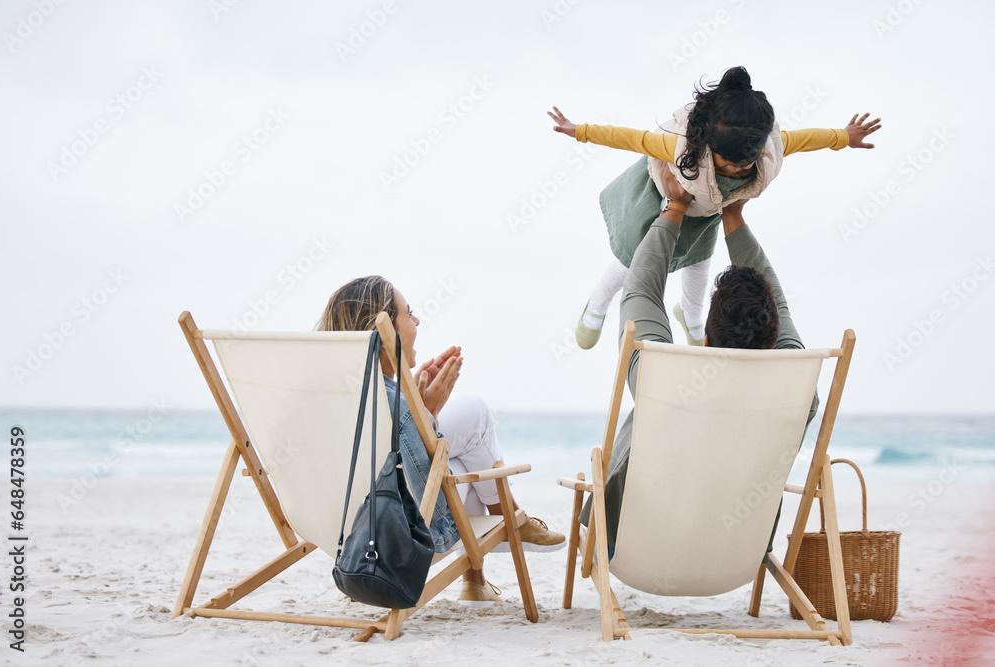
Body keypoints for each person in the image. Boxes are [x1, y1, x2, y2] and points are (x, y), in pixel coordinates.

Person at [547, 66, 880, 349]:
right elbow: (630, 138)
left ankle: (691, 318)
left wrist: (843, 137)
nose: (736, 170)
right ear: (708, 142)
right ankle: (597, 304)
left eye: (744, 163)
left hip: (706, 215)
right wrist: (580, 131)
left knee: (699, 271)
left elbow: (804, 139)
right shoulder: (676, 146)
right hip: (663, 201)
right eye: (728, 162)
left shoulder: (766, 150)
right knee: (635, 262)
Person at [579, 165, 820, 554]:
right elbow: (781, 305)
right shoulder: (799, 393)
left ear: (706, 338)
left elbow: (640, 290)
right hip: (735, 555)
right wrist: (733, 214)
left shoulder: (661, 381)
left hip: (631, 549)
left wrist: (674, 208)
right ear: (775, 338)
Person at [318, 276, 565, 607]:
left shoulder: (327, 399)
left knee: (464, 459)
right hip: (396, 534)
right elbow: (425, 495)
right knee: (474, 423)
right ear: (383, 332)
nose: (417, 321)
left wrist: (417, 409)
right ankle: (511, 520)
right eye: (409, 314)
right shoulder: (396, 406)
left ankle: (480, 574)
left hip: (342, 529)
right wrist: (425, 414)